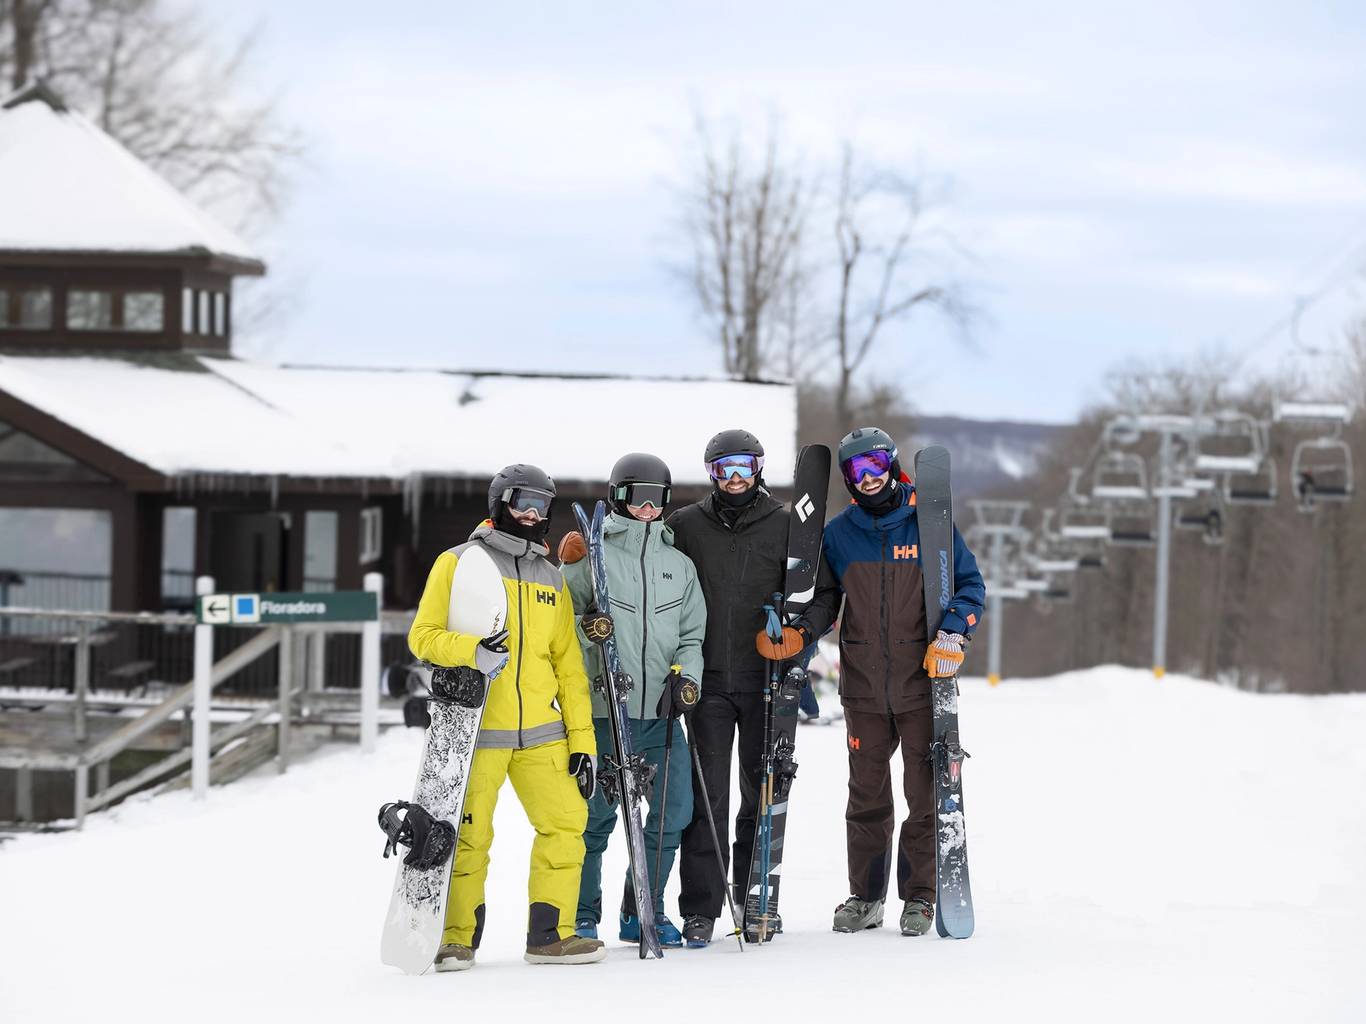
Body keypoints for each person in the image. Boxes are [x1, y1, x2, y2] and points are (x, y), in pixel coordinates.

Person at [408, 464, 605, 970]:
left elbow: (569, 668)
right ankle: (455, 939)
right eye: (522, 502)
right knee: (469, 838)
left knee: (566, 826)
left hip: (543, 733)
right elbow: (423, 636)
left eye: (542, 504)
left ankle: (551, 936)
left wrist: (582, 741)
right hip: (477, 731)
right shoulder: (457, 564)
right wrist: (471, 651)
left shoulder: (551, 578)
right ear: (499, 503)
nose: (533, 513)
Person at [669, 428, 839, 947]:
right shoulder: (686, 526)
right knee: (706, 796)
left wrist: (799, 635)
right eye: (725, 468)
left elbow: (825, 596)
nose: (736, 478)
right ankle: (701, 907)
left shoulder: (790, 527)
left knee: (761, 795)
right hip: (708, 684)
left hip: (768, 684)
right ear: (712, 473)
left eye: (744, 466)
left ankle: (754, 896)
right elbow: (649, 569)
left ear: (760, 469)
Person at [815, 428, 985, 937]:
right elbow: (825, 600)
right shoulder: (839, 533)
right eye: (855, 471)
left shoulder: (929, 522)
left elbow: (970, 586)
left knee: (924, 795)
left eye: (873, 466)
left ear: (891, 464)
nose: (867, 479)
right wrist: (800, 630)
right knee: (865, 797)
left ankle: (920, 898)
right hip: (864, 688)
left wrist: (954, 632)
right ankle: (865, 898)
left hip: (922, 685)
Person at [558, 453, 706, 948]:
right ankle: (581, 914)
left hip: (659, 715)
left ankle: (641, 906)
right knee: (595, 817)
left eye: (656, 498)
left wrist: (686, 680)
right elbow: (565, 621)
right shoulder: (592, 555)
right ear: (618, 497)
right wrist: (588, 634)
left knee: (672, 812)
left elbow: (690, 635)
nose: (646, 507)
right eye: (636, 496)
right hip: (604, 711)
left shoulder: (679, 566)